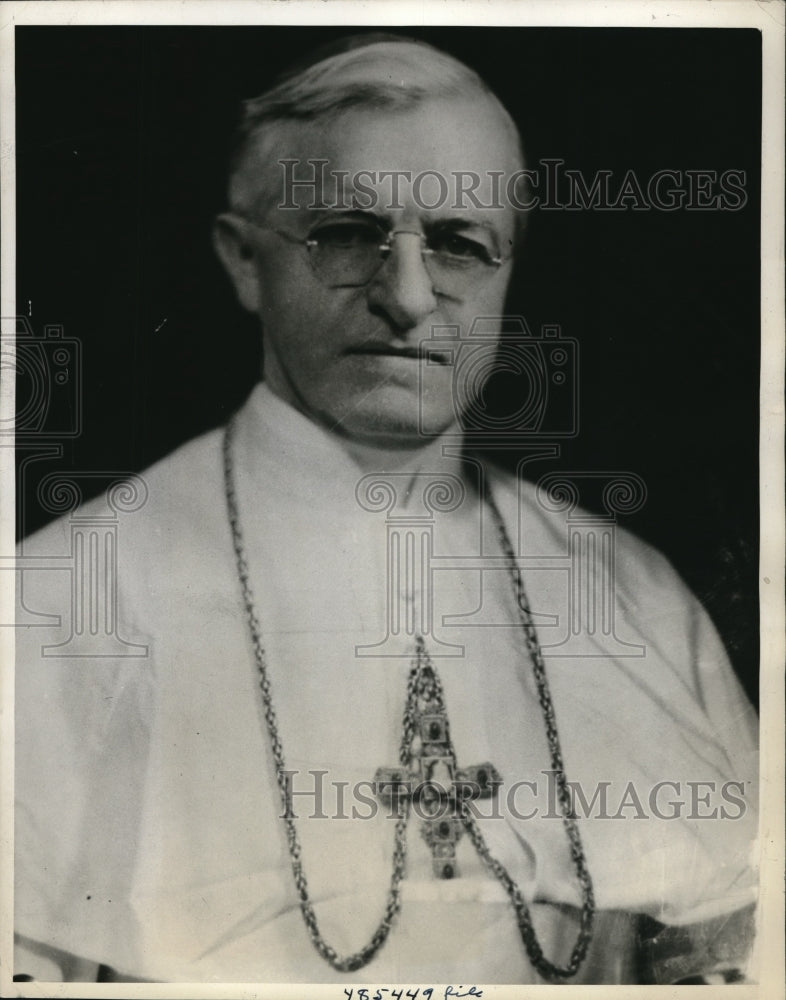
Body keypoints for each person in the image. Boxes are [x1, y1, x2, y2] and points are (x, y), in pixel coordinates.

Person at [14, 35, 758, 985]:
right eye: (345, 234)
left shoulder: (633, 593)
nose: (408, 298)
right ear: (243, 262)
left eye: (459, 244)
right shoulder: (57, 602)